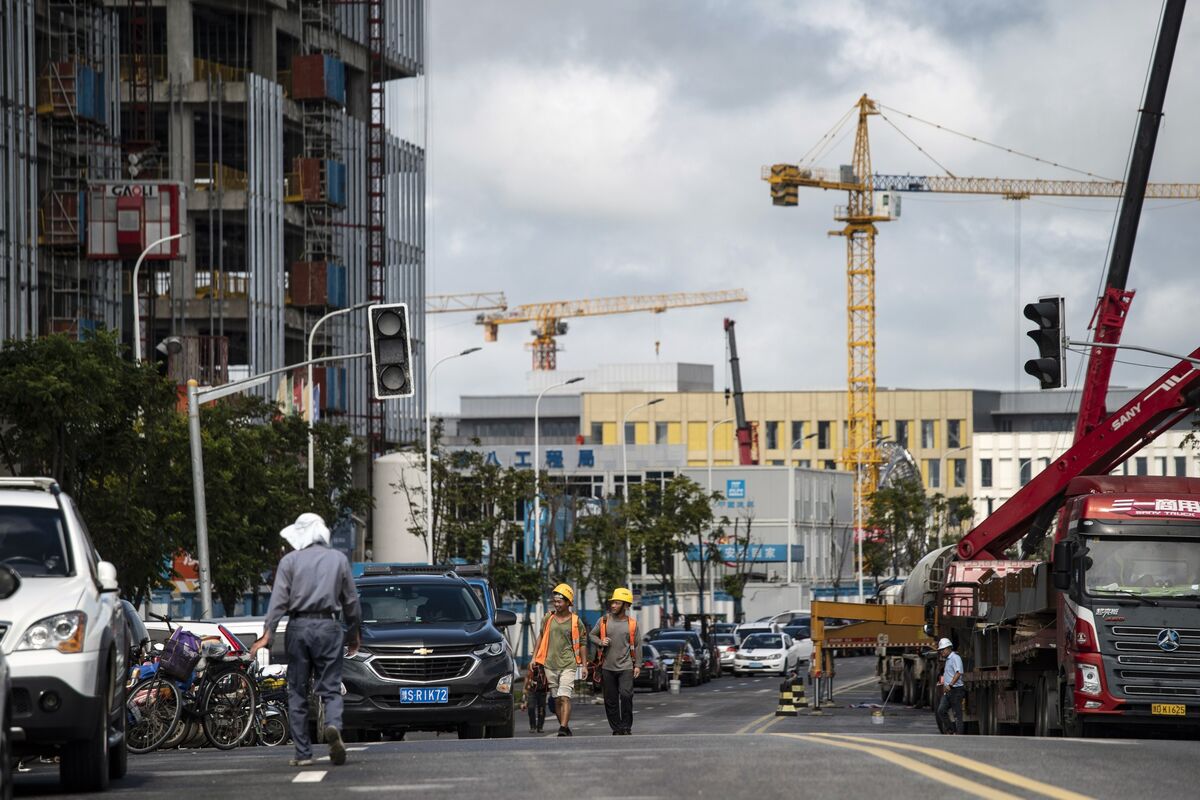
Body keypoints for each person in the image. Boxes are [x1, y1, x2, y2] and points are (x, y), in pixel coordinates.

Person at [250, 513, 361, 766]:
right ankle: (333, 725)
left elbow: (278, 601)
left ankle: (303, 754)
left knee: (297, 690)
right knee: (331, 688)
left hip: (298, 628)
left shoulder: (290, 561)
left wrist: (268, 634)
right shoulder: (338, 559)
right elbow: (351, 601)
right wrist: (354, 633)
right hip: (328, 627)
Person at [531, 583, 584, 737]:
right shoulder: (548, 618)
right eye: (555, 601)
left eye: (560, 601)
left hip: (569, 663)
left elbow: (583, 643)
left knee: (564, 696)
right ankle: (565, 727)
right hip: (550, 664)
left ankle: (562, 728)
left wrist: (585, 665)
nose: (556, 604)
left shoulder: (576, 621)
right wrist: (534, 657)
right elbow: (540, 637)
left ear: (568, 602)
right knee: (556, 701)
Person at [589, 587, 642, 735]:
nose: (613, 605)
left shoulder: (632, 624)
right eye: (612, 603)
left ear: (626, 605)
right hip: (607, 667)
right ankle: (617, 728)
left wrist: (637, 665)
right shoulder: (603, 621)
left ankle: (626, 726)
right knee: (610, 700)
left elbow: (638, 645)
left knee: (626, 695)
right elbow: (591, 636)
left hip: (626, 667)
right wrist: (600, 641)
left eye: (617, 603)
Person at [935, 637, 965, 735]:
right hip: (948, 691)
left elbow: (958, 672)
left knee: (957, 714)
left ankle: (959, 734)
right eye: (940, 650)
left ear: (949, 648)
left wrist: (950, 685)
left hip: (956, 690)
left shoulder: (955, 658)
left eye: (943, 650)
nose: (941, 652)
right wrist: (943, 684)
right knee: (941, 710)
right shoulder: (948, 660)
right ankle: (951, 730)